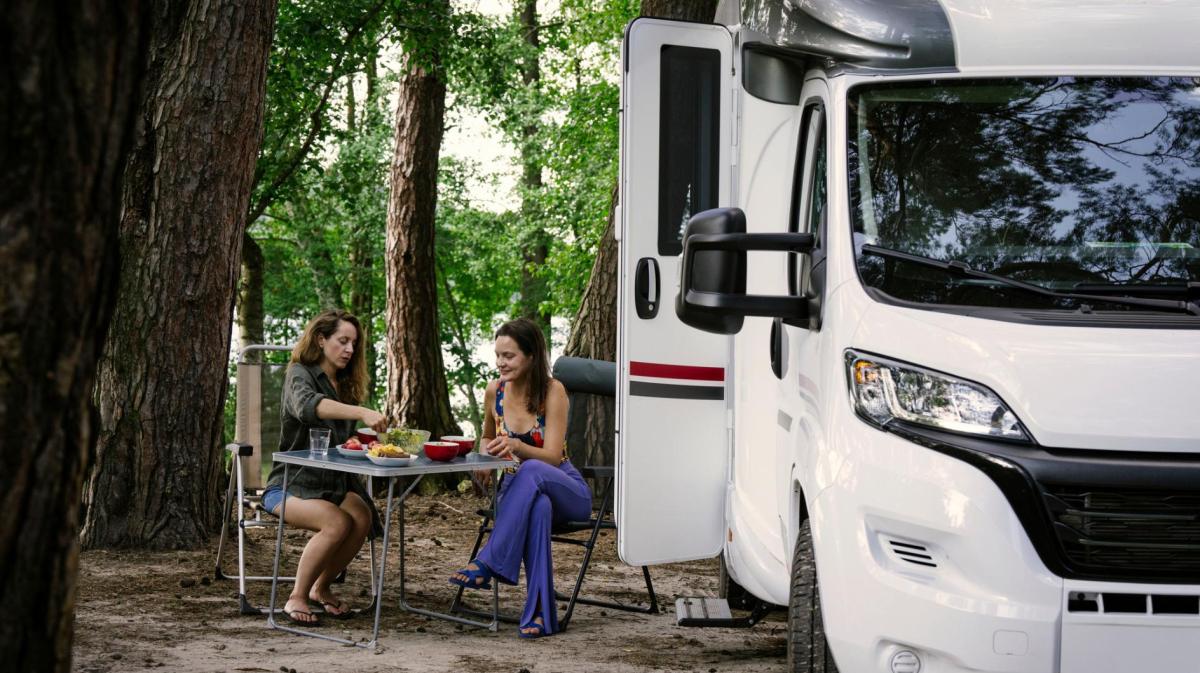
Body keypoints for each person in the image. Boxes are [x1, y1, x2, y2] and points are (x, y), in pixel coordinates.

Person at [449, 318, 592, 638]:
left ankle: (487, 561)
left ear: (531, 356)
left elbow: (553, 457)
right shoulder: (493, 391)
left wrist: (516, 445)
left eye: (509, 356)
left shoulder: (552, 391)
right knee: (537, 507)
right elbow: (485, 439)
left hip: (565, 489)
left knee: (531, 470)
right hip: (519, 492)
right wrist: (484, 459)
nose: (501, 362)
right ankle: (541, 615)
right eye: (497, 355)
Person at [261, 309, 387, 627]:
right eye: (342, 341)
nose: (349, 349)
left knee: (362, 515)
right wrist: (361, 411)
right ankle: (297, 596)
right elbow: (308, 408)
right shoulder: (300, 374)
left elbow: (344, 441)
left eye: (353, 344)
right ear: (321, 339)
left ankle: (322, 587)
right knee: (336, 522)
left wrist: (365, 442)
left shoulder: (343, 382)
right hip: (291, 483)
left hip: (332, 483)